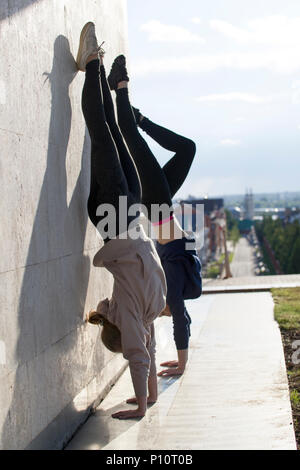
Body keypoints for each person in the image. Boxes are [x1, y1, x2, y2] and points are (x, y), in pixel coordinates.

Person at [76, 22, 167, 419]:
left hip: (116, 220)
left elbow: (139, 352)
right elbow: (142, 351)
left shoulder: (136, 310)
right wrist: (149, 399)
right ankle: (100, 69)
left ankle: (92, 61)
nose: (105, 306)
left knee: (101, 133)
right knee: (111, 129)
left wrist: (144, 404)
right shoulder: (138, 315)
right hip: (125, 214)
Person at [107, 54, 202, 377]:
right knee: (187, 148)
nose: (165, 309)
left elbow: (181, 321)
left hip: (158, 208)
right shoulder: (180, 281)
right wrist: (183, 361)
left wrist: (182, 361)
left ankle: (120, 87)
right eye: (165, 310)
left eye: (164, 311)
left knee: (131, 138)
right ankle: (139, 117)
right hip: (164, 206)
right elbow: (183, 319)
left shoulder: (173, 284)